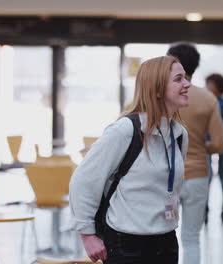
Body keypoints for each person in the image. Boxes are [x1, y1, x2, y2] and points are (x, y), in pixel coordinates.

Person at [69, 56, 190, 264]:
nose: (187, 84)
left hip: (167, 241)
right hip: (126, 244)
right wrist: (87, 235)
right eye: (178, 79)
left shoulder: (179, 134)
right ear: (158, 89)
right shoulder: (126, 130)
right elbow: (83, 180)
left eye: (185, 78)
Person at [167, 43, 223, 264]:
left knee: (164, 236)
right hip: (198, 175)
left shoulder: (160, 95)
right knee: (191, 238)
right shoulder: (207, 98)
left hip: (166, 177)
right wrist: (199, 146)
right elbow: (220, 144)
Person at [205, 73, 223, 222]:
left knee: (222, 178)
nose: (209, 88)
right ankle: (205, 210)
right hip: (206, 145)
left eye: (211, 85)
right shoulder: (205, 104)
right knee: (207, 177)